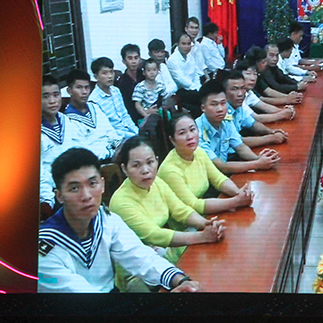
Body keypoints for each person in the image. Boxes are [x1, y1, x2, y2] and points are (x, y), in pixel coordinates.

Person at [38, 147, 200, 293]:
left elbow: (141, 257)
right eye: (74, 188)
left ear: (102, 185)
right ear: (59, 196)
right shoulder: (45, 248)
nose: (86, 196)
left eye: (92, 183)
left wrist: (180, 281)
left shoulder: (106, 220)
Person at [110, 136, 232, 265]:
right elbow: (154, 235)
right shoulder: (121, 202)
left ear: (157, 161)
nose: (145, 170)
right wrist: (202, 236)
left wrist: (206, 224)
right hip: (137, 269)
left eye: (150, 162)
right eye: (136, 165)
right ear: (124, 169)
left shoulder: (157, 182)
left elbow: (181, 210)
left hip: (162, 251)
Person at [158, 113, 255, 214]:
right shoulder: (170, 170)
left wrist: (238, 193)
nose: (190, 136)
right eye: (182, 133)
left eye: (192, 130)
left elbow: (218, 179)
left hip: (206, 213)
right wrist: (235, 202)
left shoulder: (198, 151)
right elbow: (194, 205)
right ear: (172, 140)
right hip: (188, 225)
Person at [195, 80, 280, 174]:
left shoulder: (225, 120)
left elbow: (240, 147)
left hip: (225, 173)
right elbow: (221, 167)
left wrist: (260, 159)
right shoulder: (197, 132)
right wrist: (257, 164)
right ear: (203, 108)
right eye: (214, 104)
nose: (220, 109)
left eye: (223, 103)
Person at [41, 75, 84, 214]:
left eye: (56, 95)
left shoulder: (68, 122)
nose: (52, 101)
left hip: (77, 182)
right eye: (45, 96)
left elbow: (80, 151)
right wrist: (47, 200)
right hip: (54, 192)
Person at [64, 69, 123, 162]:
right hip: (96, 162)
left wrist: (118, 147)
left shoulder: (94, 107)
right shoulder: (68, 120)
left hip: (115, 153)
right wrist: (110, 151)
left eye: (87, 87)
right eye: (79, 87)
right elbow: (84, 150)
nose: (84, 92)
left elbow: (110, 131)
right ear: (69, 91)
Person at [222, 70, 289, 148]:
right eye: (234, 89)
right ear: (224, 92)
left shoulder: (238, 107)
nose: (240, 93)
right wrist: (271, 138)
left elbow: (253, 124)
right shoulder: (221, 111)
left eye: (243, 88)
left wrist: (270, 131)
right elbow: (237, 142)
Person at [88, 57, 139, 139]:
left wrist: (136, 131)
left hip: (129, 132)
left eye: (111, 72)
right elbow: (106, 129)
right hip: (115, 138)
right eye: (105, 73)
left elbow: (125, 115)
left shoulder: (116, 91)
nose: (110, 76)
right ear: (96, 77)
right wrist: (131, 136)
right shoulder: (94, 101)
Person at [234, 59, 295, 124]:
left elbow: (265, 106)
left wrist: (285, 111)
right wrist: (281, 114)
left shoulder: (249, 92)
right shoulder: (236, 95)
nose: (253, 78)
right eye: (248, 74)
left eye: (255, 74)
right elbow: (256, 118)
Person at [167, 33, 204, 117]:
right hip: (181, 91)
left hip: (194, 89)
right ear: (178, 44)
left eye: (188, 44)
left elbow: (196, 75)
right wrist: (196, 89)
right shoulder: (172, 60)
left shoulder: (190, 57)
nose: (186, 47)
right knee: (203, 99)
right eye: (183, 44)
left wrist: (198, 87)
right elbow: (180, 79)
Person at [115, 44, 144, 124]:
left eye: (136, 58)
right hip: (133, 119)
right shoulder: (121, 83)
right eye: (130, 58)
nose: (134, 61)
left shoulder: (145, 75)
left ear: (140, 59)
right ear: (124, 61)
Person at [184, 17, 209, 81]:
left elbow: (202, 64)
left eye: (196, 28)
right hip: (191, 79)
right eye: (192, 28)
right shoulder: (183, 46)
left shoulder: (198, 44)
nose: (194, 31)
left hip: (202, 77)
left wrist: (208, 78)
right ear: (186, 29)